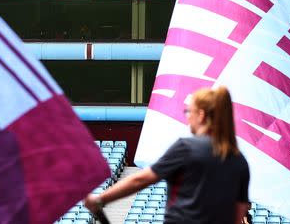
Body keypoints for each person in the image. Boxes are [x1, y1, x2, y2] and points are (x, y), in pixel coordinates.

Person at [85, 86, 250, 224]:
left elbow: (141, 179)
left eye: (188, 111)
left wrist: (100, 199)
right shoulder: (239, 160)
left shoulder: (186, 148)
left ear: (201, 115)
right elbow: (239, 213)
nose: (187, 117)